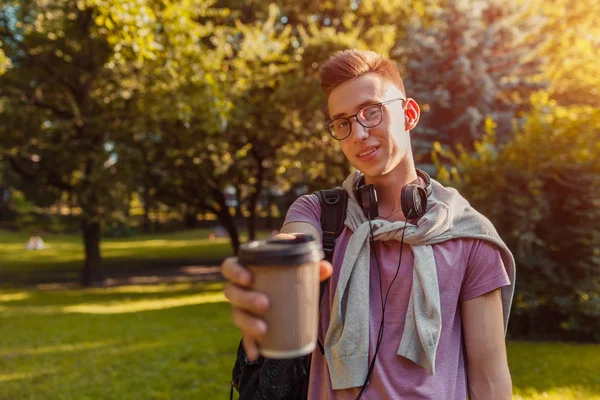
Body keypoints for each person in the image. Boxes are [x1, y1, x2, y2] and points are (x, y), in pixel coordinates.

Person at [221, 49, 515, 399]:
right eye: (342, 122)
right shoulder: (318, 213)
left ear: (408, 114)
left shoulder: (470, 236)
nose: (358, 133)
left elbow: (490, 380)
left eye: (371, 112)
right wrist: (270, 276)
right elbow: (296, 243)